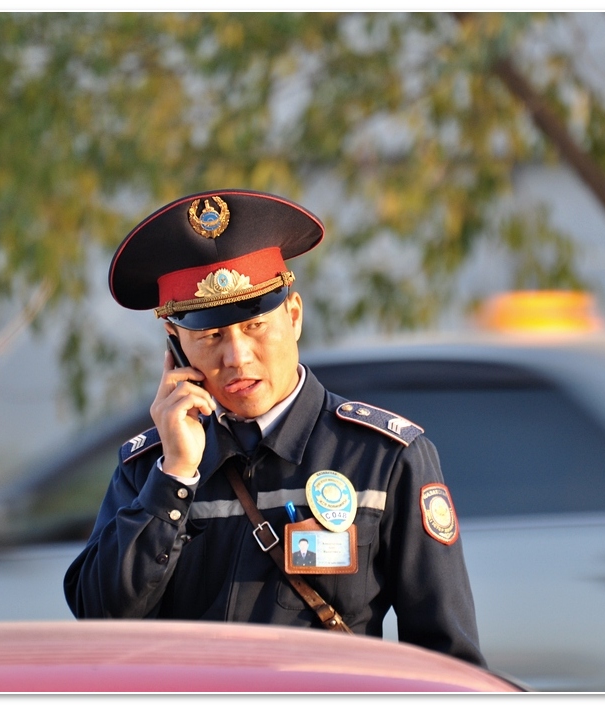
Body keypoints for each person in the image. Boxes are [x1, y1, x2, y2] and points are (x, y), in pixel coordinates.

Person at [63, 189, 485, 667]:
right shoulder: (151, 468)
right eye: (209, 336)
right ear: (175, 345)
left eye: (255, 326)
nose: (237, 357)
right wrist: (175, 478)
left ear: (295, 315)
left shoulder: (383, 457)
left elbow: (448, 660)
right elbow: (99, 617)